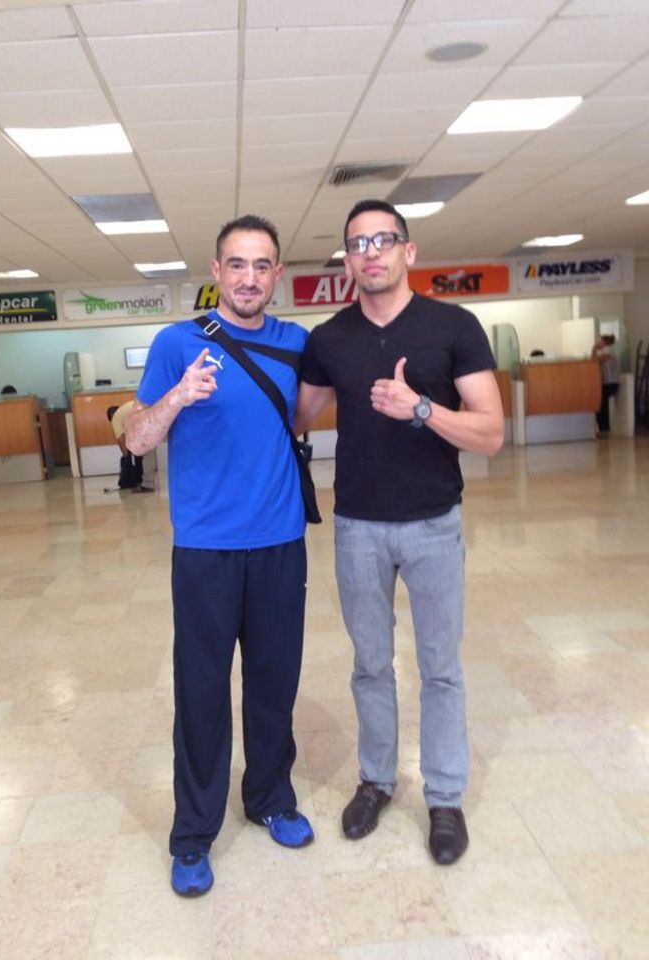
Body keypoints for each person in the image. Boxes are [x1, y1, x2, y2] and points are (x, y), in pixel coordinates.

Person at [295, 199, 504, 866]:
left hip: (433, 523)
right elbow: (296, 418)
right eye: (358, 244)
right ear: (347, 261)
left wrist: (420, 409)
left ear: (408, 251)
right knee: (370, 665)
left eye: (383, 240)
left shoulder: (453, 326)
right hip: (358, 527)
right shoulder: (330, 339)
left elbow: (491, 433)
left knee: (440, 668)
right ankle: (377, 781)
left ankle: (444, 798)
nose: (371, 253)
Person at [125, 214, 314, 898]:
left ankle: (269, 798)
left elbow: (304, 416)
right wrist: (178, 397)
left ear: (277, 274)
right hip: (205, 550)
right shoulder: (177, 343)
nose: (249, 278)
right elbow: (136, 439)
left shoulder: (296, 343)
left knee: (273, 683)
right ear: (215, 272)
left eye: (262, 265)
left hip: (280, 544)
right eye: (237, 264)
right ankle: (193, 833)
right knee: (202, 692)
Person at [107, 401, 144, 489]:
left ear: (111, 416)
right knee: (140, 454)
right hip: (147, 415)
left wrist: (125, 456)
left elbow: (120, 439)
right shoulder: (125, 412)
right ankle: (141, 480)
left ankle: (146, 483)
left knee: (143, 454)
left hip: (144, 422)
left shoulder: (116, 417)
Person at [591, 334, 620, 435]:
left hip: (610, 383)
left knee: (600, 402)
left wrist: (594, 349)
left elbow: (596, 361)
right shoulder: (605, 351)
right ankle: (603, 427)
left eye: (599, 341)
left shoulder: (608, 350)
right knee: (601, 403)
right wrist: (594, 350)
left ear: (604, 342)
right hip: (608, 383)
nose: (597, 342)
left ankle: (604, 428)